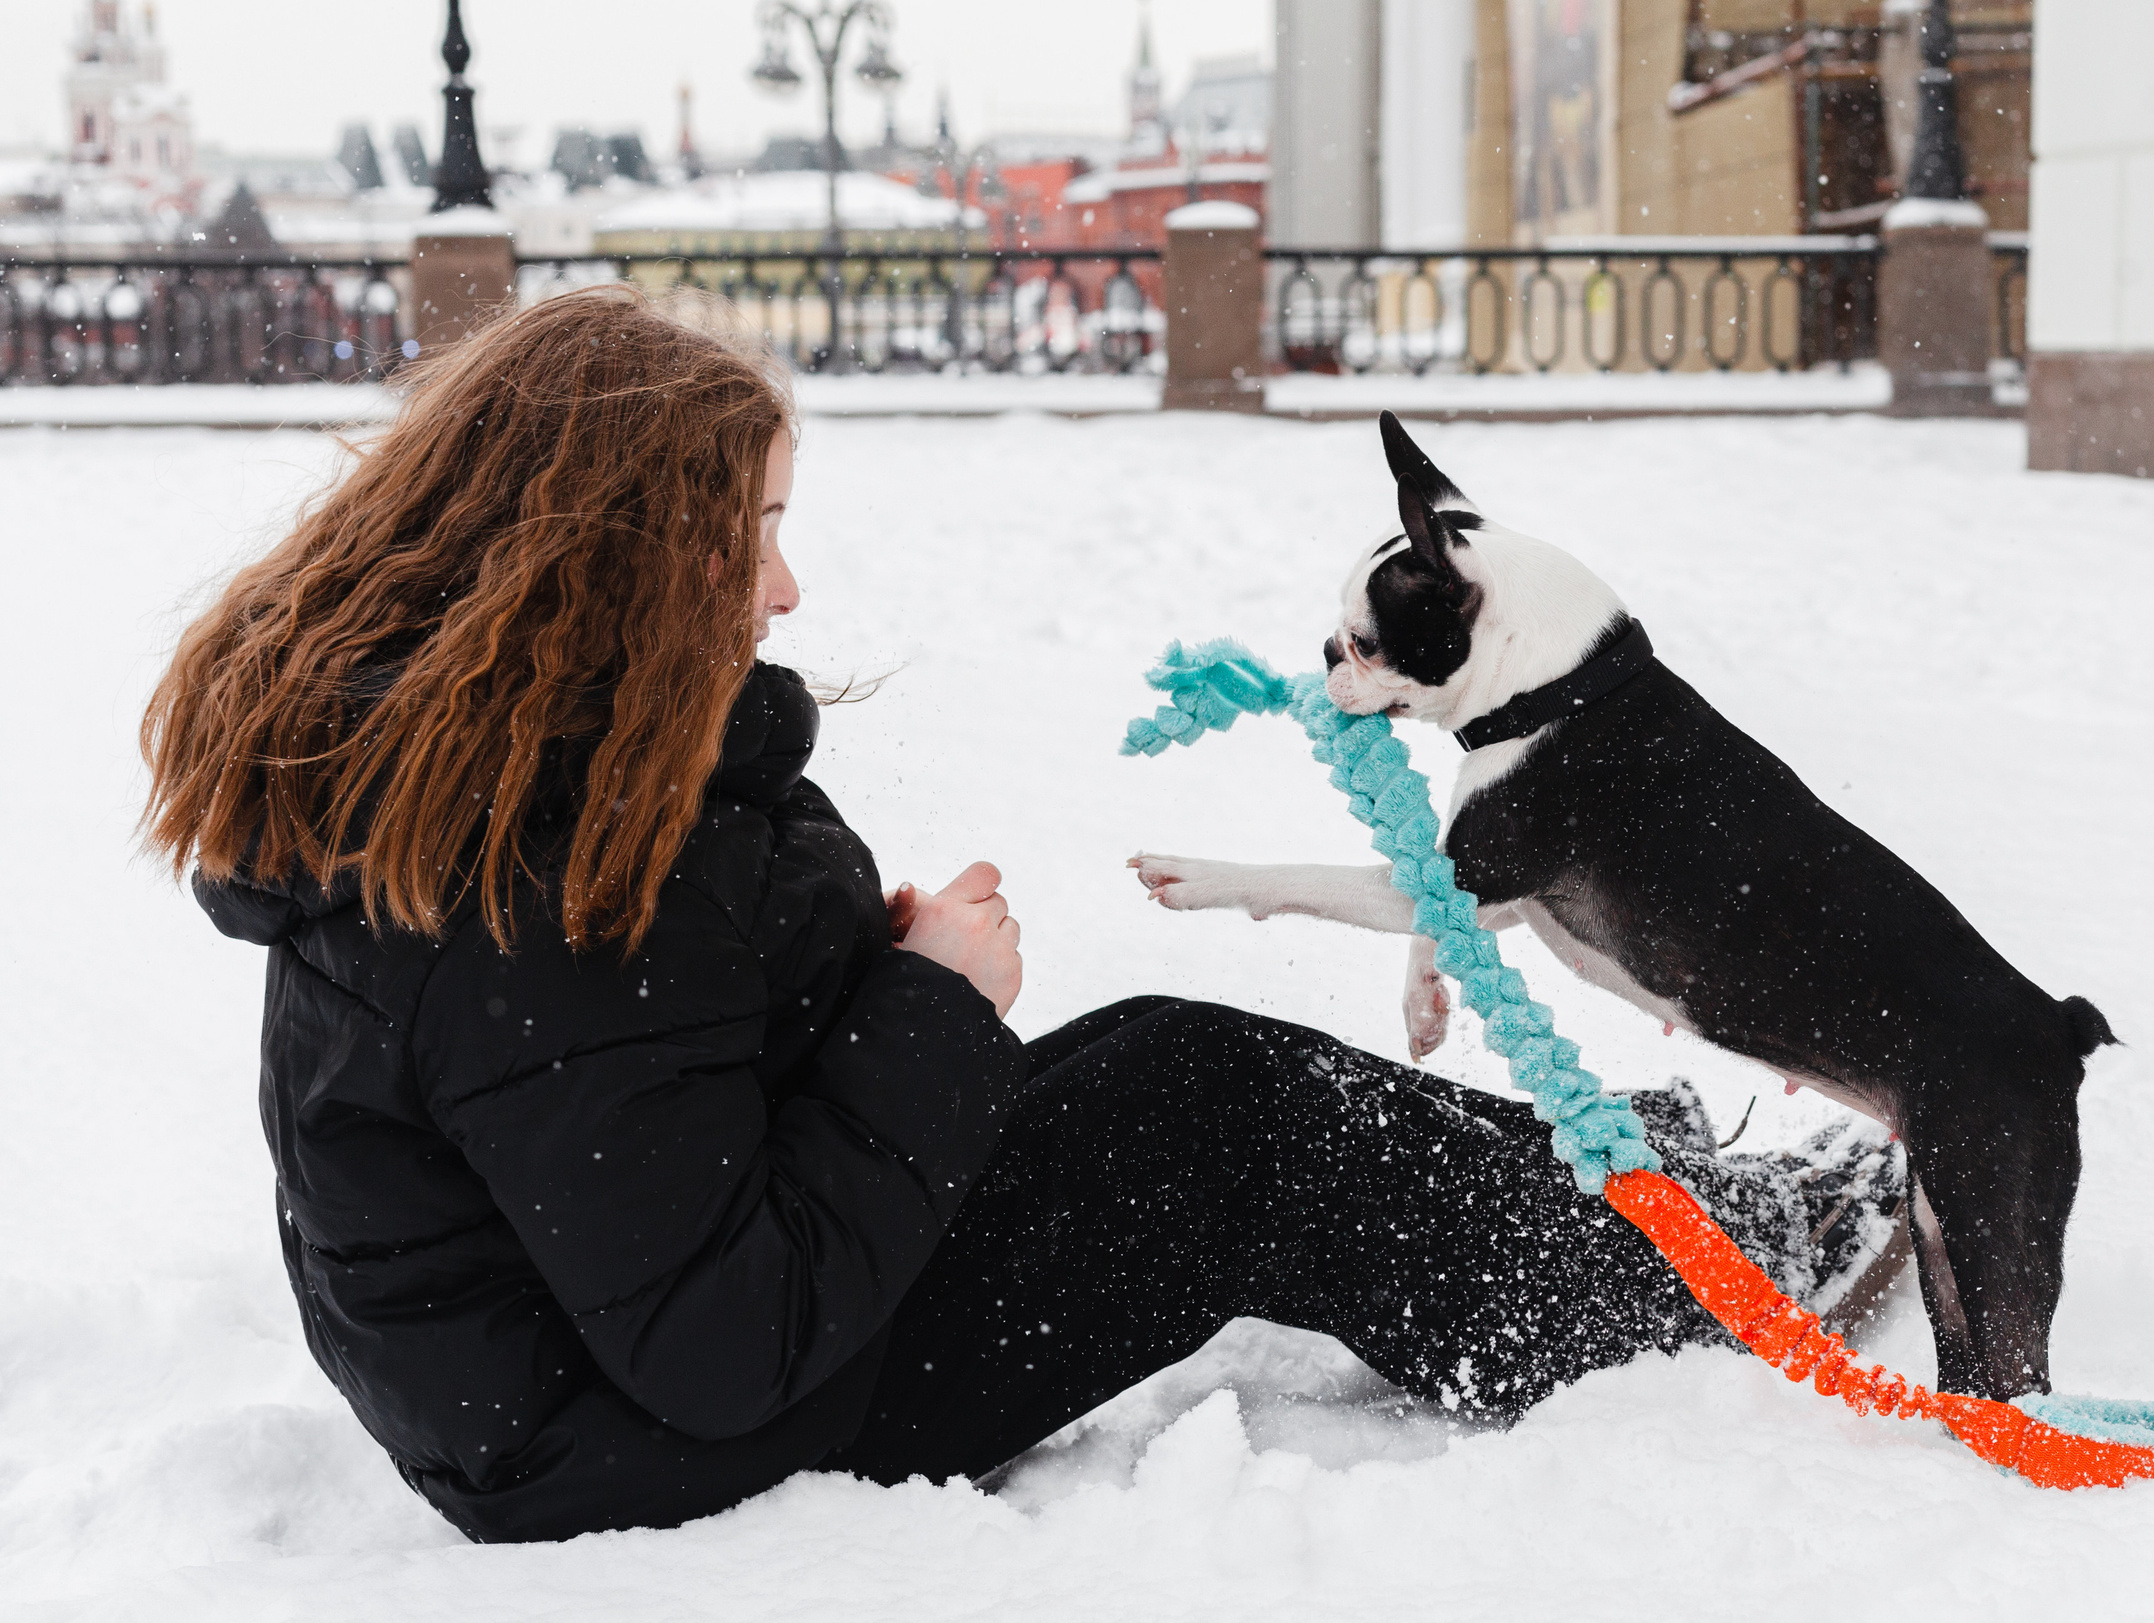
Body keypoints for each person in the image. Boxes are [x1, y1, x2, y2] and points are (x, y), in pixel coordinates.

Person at [140, 286, 1898, 1545]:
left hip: (593, 1377)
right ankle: (1687, 1283)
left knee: (1163, 1081)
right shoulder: (545, 872)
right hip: (626, 1442)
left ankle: (1606, 1196)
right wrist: (920, 1011)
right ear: (604, 566)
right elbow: (718, 1335)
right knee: (1209, 1127)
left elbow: (656, 1091)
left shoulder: (535, 778)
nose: (785, 585)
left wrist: (860, 976)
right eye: (748, 537)